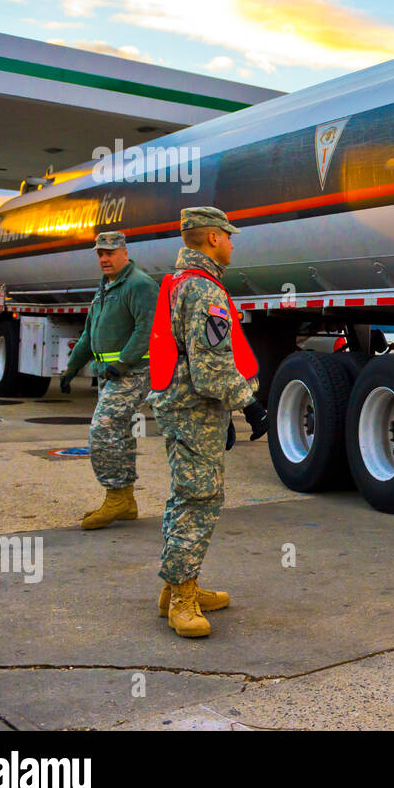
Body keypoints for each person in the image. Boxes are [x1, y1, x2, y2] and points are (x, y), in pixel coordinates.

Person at [148, 207, 266, 638]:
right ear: (213, 238)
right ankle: (181, 598)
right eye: (229, 236)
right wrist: (250, 405)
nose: (233, 243)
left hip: (188, 407)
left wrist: (224, 413)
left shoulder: (181, 282)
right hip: (194, 408)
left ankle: (178, 585)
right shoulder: (205, 290)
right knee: (200, 499)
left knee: (185, 496)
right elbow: (211, 369)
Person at [61, 231, 159, 530]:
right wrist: (71, 368)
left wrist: (124, 361)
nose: (104, 258)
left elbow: (148, 328)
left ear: (124, 252)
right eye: (100, 253)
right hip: (110, 374)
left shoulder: (139, 284)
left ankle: (115, 497)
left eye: (110, 252)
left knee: (103, 431)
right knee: (120, 434)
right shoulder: (105, 287)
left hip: (134, 371)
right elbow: (90, 333)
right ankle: (126, 501)